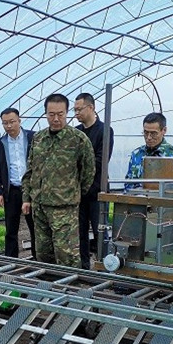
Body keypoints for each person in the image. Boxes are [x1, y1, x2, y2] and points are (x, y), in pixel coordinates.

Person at [22, 94, 94, 267]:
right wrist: (27, 198)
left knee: (66, 256)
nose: (56, 119)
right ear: (46, 114)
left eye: (60, 114)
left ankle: (71, 284)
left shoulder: (78, 140)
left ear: (67, 113)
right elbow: (30, 171)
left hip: (64, 209)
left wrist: (71, 193)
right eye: (51, 114)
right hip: (40, 208)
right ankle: (47, 284)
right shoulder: (38, 139)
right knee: (43, 255)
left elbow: (88, 173)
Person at [74, 93, 114, 269]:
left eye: (79, 109)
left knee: (100, 230)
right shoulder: (76, 132)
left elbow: (101, 160)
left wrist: (79, 165)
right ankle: (84, 266)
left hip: (98, 190)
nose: (77, 113)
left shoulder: (104, 131)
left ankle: (103, 266)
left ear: (91, 108)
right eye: (75, 110)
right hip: (79, 191)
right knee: (80, 231)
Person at [0, 108, 36, 258]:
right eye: (5, 123)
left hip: (31, 190)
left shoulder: (33, 137)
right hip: (12, 191)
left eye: (12, 122)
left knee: (35, 228)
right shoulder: (0, 143)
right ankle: (11, 261)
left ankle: (38, 259)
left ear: (19, 120)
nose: (9, 126)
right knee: (11, 229)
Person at [124, 112, 173, 189]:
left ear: (164, 130)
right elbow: (128, 184)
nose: (149, 137)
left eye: (153, 133)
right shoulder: (136, 154)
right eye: (146, 133)